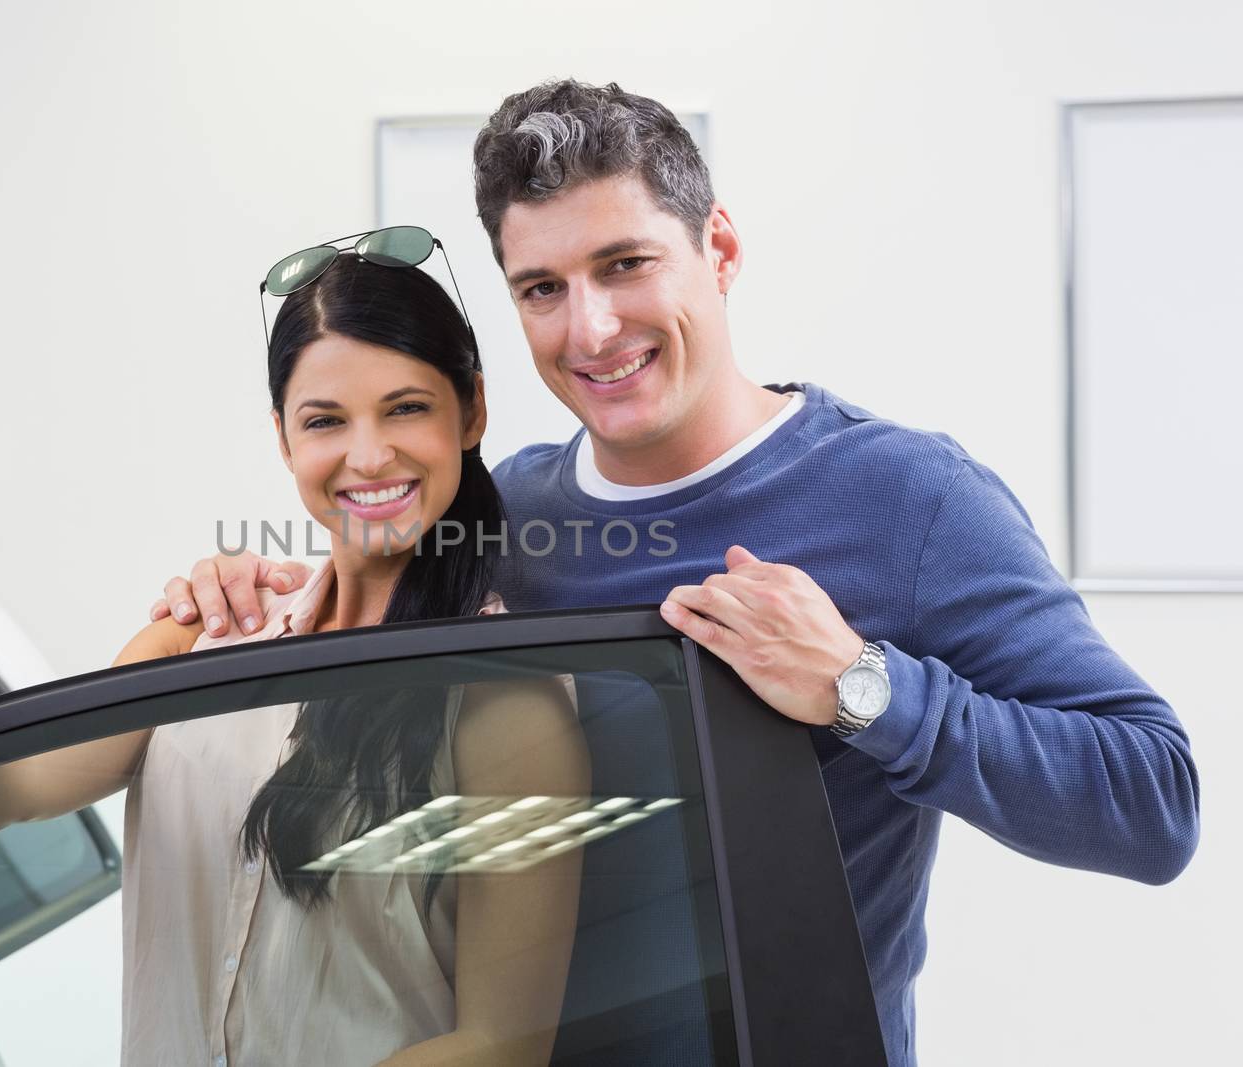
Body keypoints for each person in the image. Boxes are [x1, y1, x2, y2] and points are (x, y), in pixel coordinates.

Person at [158, 80, 1201, 1066]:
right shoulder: (501, 513)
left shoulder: (906, 498)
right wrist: (233, 590)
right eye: (542, 288)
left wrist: (861, 686)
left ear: (721, 248)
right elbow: (355, 630)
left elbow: (1153, 801)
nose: (591, 328)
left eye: (624, 264)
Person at [0, 246, 589, 1066]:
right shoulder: (204, 635)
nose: (367, 455)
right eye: (325, 420)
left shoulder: (504, 700)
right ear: (283, 438)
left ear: (471, 411)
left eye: (406, 408)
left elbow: (502, 1043)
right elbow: (14, 784)